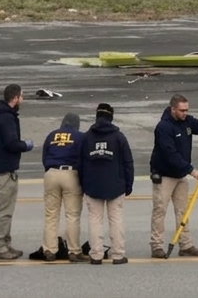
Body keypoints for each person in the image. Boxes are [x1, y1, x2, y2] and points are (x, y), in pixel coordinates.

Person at [149, 93, 198, 258]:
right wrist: (191, 170)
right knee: (160, 210)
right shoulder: (164, 127)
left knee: (183, 211)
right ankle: (156, 245)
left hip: (180, 174)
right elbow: (170, 154)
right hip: (165, 175)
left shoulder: (187, 121)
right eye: (182, 110)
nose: (185, 113)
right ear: (173, 109)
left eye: (186, 110)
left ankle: (186, 244)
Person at [0, 83, 34, 260]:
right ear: (15, 98)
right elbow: (12, 143)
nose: (23, 99)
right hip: (3, 171)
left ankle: (5, 243)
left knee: (5, 209)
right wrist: (27, 145)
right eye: (22, 96)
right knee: (4, 211)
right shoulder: (6, 119)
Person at [80, 102, 134, 265]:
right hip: (115, 185)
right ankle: (118, 254)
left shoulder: (87, 137)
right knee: (116, 219)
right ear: (111, 117)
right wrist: (128, 184)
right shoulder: (119, 137)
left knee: (95, 220)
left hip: (93, 185)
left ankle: (96, 254)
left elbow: (80, 163)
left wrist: (84, 184)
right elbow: (128, 162)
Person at [41, 112, 86, 262]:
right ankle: (74, 251)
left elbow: (44, 156)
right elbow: (83, 158)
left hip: (51, 173)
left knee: (51, 215)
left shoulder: (52, 135)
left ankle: (49, 249)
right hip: (70, 173)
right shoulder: (80, 137)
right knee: (72, 215)